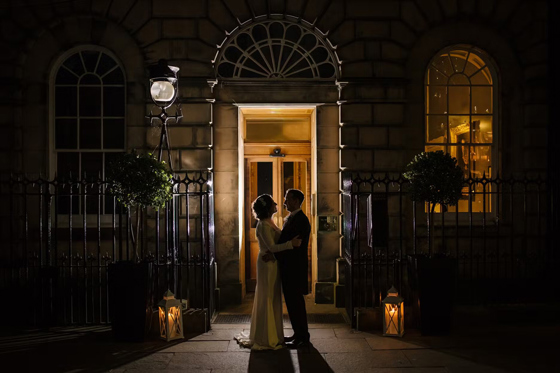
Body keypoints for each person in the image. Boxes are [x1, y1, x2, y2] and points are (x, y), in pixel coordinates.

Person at [234, 194, 302, 350]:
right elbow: (272, 247)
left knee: (273, 297)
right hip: (267, 265)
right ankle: (266, 336)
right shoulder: (263, 225)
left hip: (273, 263)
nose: (277, 204)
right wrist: (291, 244)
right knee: (268, 296)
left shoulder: (269, 222)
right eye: (273, 203)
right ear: (267, 208)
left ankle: (275, 334)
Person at [265, 189, 311, 348]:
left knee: (296, 303)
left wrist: (275, 255)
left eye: (288, 199)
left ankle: (303, 337)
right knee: (292, 303)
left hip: (294, 269)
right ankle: (298, 333)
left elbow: (294, 247)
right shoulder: (292, 219)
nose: (285, 202)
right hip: (290, 268)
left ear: (297, 201)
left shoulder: (301, 220)